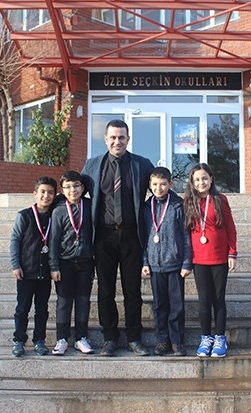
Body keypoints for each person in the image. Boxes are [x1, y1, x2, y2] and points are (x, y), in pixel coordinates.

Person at [81, 119, 154, 357]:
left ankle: (134, 337)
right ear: (105, 139)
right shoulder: (92, 166)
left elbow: (159, 190)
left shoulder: (142, 165)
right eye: (112, 137)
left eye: (121, 137)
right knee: (105, 290)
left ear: (128, 139)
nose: (117, 141)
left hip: (132, 236)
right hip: (104, 237)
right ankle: (109, 338)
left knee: (132, 291)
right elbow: (75, 194)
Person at [183, 163, 237, 358]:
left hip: (219, 257)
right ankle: (206, 338)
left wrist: (232, 253)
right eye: (197, 179)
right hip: (199, 259)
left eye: (205, 178)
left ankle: (220, 338)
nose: (201, 182)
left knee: (218, 299)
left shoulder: (220, 200)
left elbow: (230, 227)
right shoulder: (188, 202)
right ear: (192, 182)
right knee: (204, 300)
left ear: (211, 179)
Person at [141, 167, 192, 356]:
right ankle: (162, 340)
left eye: (163, 184)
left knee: (176, 306)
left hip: (175, 264)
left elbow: (186, 236)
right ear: (150, 185)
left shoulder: (179, 205)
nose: (159, 188)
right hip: (155, 265)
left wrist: (186, 262)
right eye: (155, 184)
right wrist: (145, 261)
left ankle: (177, 341)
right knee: (159, 305)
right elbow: (144, 237)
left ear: (170, 184)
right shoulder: (147, 207)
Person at [9, 176, 58, 357]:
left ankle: (39, 340)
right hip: (26, 271)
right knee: (22, 308)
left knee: (42, 309)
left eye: (50, 192)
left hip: (45, 272)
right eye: (42, 192)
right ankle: (19, 340)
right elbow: (15, 240)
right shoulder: (24, 215)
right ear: (35, 194)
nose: (46, 196)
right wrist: (15, 265)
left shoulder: (55, 215)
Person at [49, 171, 95, 356]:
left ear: (82, 188)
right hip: (65, 263)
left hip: (86, 262)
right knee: (64, 301)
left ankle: (81, 337)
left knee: (83, 300)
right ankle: (62, 338)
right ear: (62, 190)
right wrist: (54, 266)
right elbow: (53, 240)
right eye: (67, 187)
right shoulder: (59, 211)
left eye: (76, 186)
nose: (72, 190)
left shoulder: (90, 206)